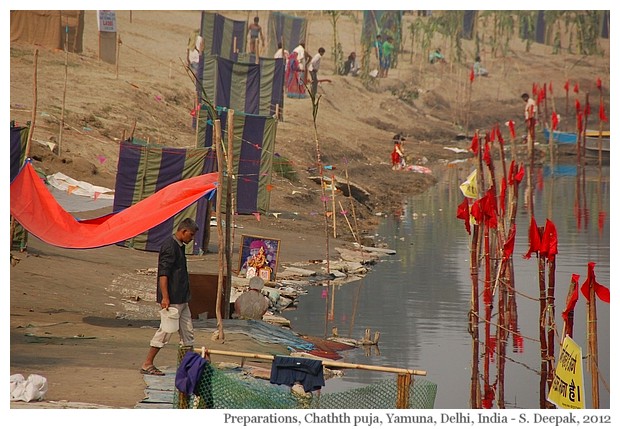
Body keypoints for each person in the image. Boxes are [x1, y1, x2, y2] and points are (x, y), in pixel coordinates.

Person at [140, 218, 199, 376]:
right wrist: (165, 297)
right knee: (165, 332)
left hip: (182, 299)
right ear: (183, 231)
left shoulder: (179, 246)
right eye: (191, 235)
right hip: (172, 300)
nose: (191, 238)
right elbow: (163, 274)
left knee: (188, 334)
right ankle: (147, 363)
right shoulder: (170, 246)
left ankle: (188, 367)